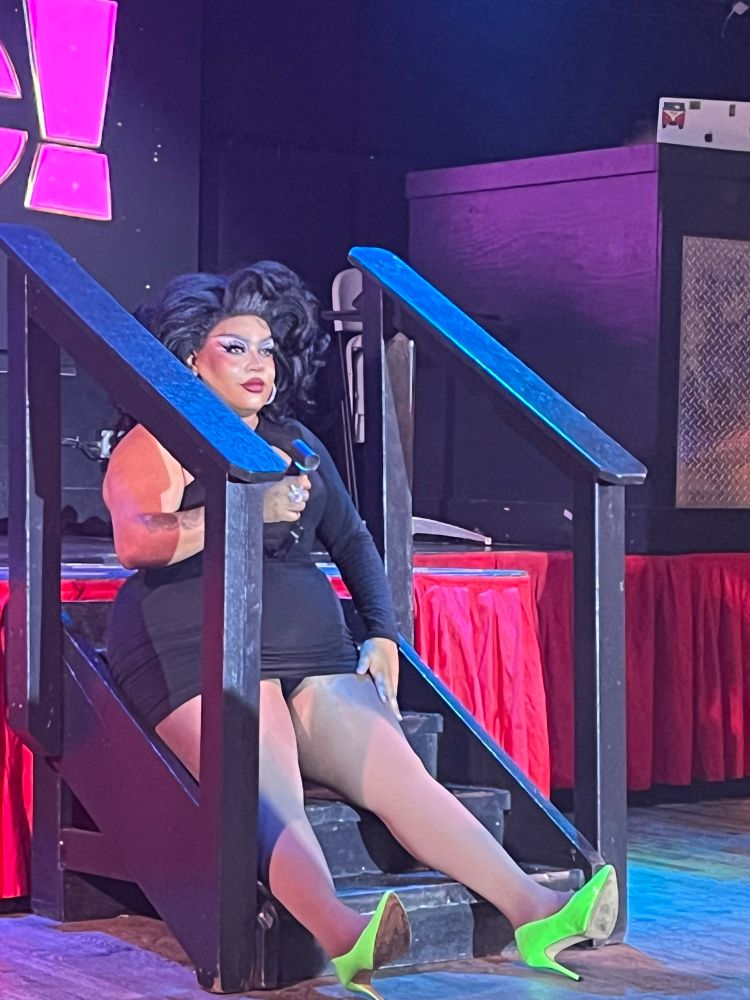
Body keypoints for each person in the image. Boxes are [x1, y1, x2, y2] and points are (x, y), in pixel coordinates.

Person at [103, 262, 618, 996]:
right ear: (190, 359)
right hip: (199, 644)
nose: (258, 364)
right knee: (267, 789)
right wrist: (244, 508)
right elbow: (137, 542)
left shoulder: (296, 441)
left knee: (401, 777)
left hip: (313, 648)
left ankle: (534, 910)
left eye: (266, 349)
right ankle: (343, 933)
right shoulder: (158, 440)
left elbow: (351, 540)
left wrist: (382, 631)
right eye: (235, 348)